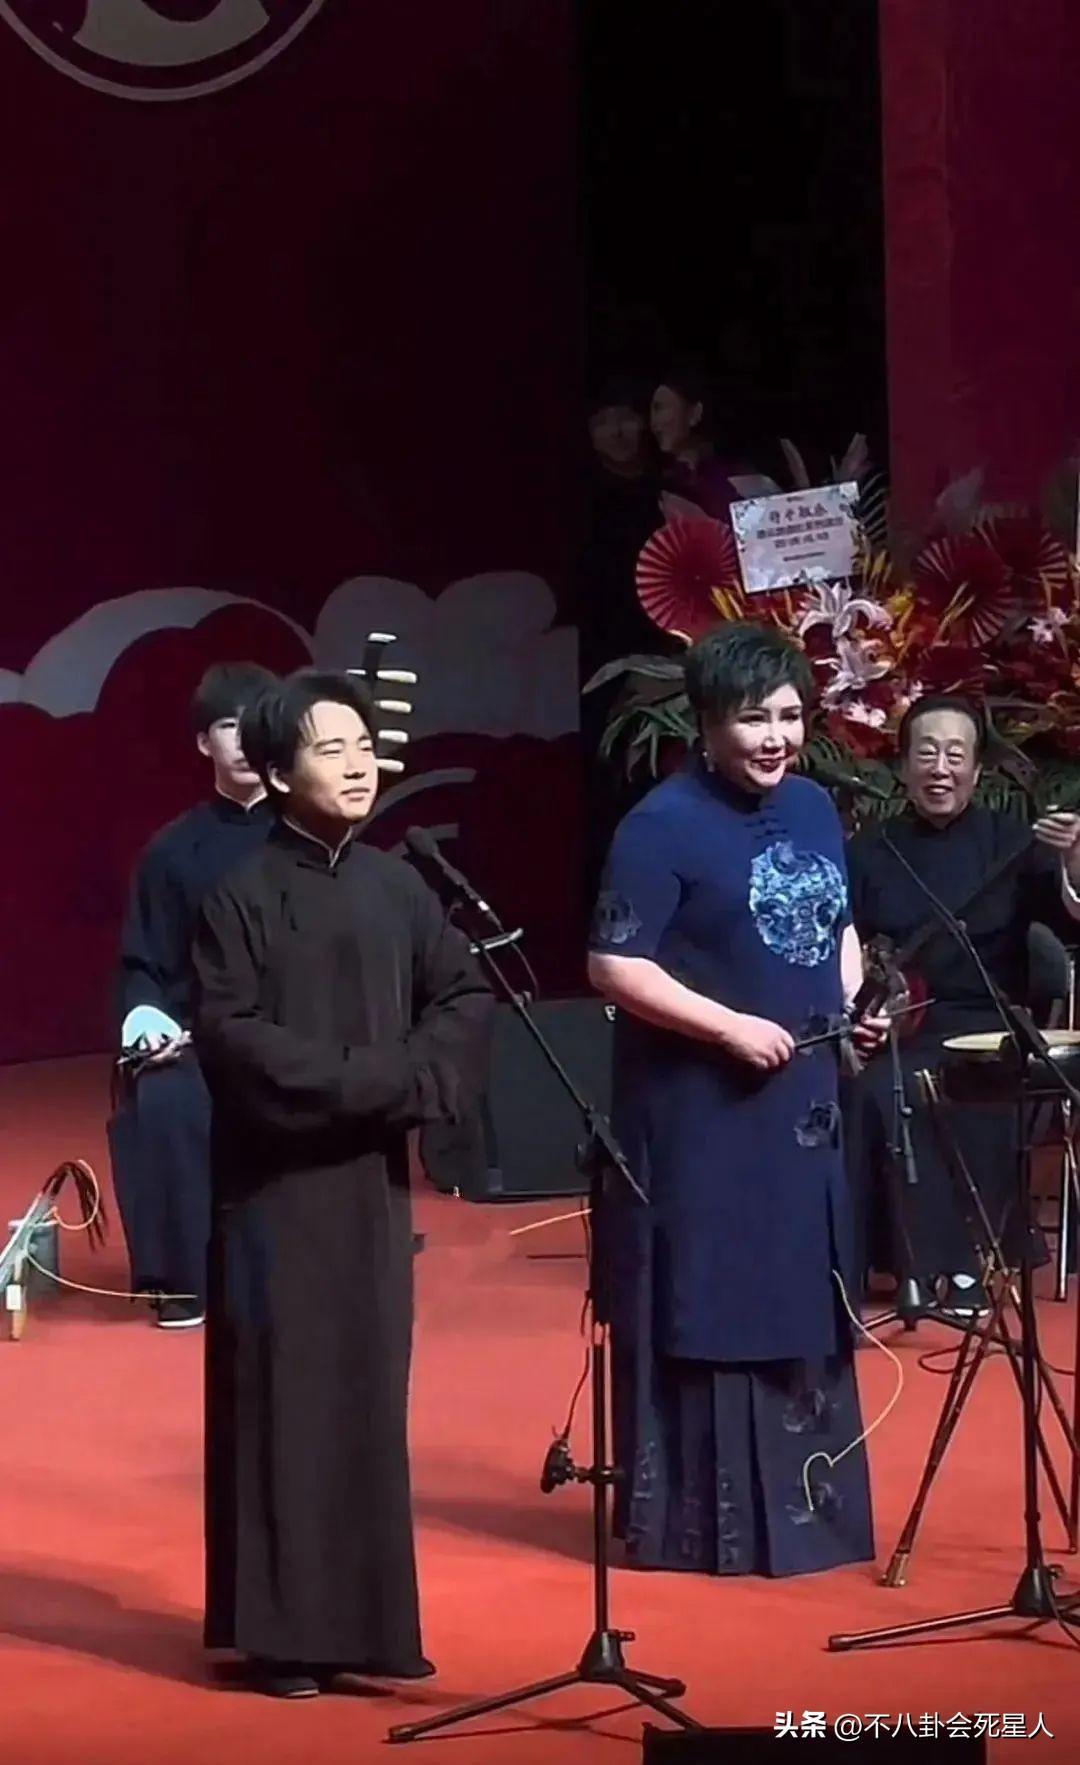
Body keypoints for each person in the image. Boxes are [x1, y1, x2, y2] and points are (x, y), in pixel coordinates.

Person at [192, 669, 492, 1698]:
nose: (359, 765)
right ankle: (281, 1637)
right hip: (276, 1189)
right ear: (278, 773)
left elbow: (462, 992)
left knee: (364, 1398)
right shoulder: (238, 895)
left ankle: (365, 1627)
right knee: (284, 1402)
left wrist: (411, 1081)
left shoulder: (398, 886)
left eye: (365, 745)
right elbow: (232, 1037)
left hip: (371, 1187)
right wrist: (375, 1080)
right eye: (332, 749)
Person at [587, 623, 880, 1578]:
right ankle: (705, 1527)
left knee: (801, 1284)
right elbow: (614, 964)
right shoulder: (659, 825)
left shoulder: (815, 806)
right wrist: (726, 1028)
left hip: (803, 1099)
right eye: (754, 718)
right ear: (707, 722)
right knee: (717, 1292)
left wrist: (851, 1005)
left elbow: (838, 926)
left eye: (790, 716)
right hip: (701, 1107)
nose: (775, 737)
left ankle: (811, 1520)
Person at [846, 695, 1080, 1316]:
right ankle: (902, 1265)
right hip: (905, 1020)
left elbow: (1071, 920)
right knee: (874, 1090)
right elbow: (845, 943)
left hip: (990, 1022)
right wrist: (862, 1008)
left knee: (969, 1088)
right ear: (903, 765)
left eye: (956, 754)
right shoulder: (870, 849)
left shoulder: (1014, 842)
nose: (941, 768)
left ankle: (967, 1266)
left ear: (977, 769)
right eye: (926, 753)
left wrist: (1073, 861)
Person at [110, 662, 277, 1328]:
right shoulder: (171, 851)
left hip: (299, 1028)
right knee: (166, 1092)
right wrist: (145, 1019)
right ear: (205, 742)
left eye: (256, 725)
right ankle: (184, 1278)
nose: (244, 741)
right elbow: (143, 961)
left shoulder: (311, 836)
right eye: (229, 726)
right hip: (200, 1031)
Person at [650, 366, 747, 521]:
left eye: (659, 408)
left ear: (695, 412)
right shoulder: (660, 481)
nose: (653, 423)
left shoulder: (738, 480)